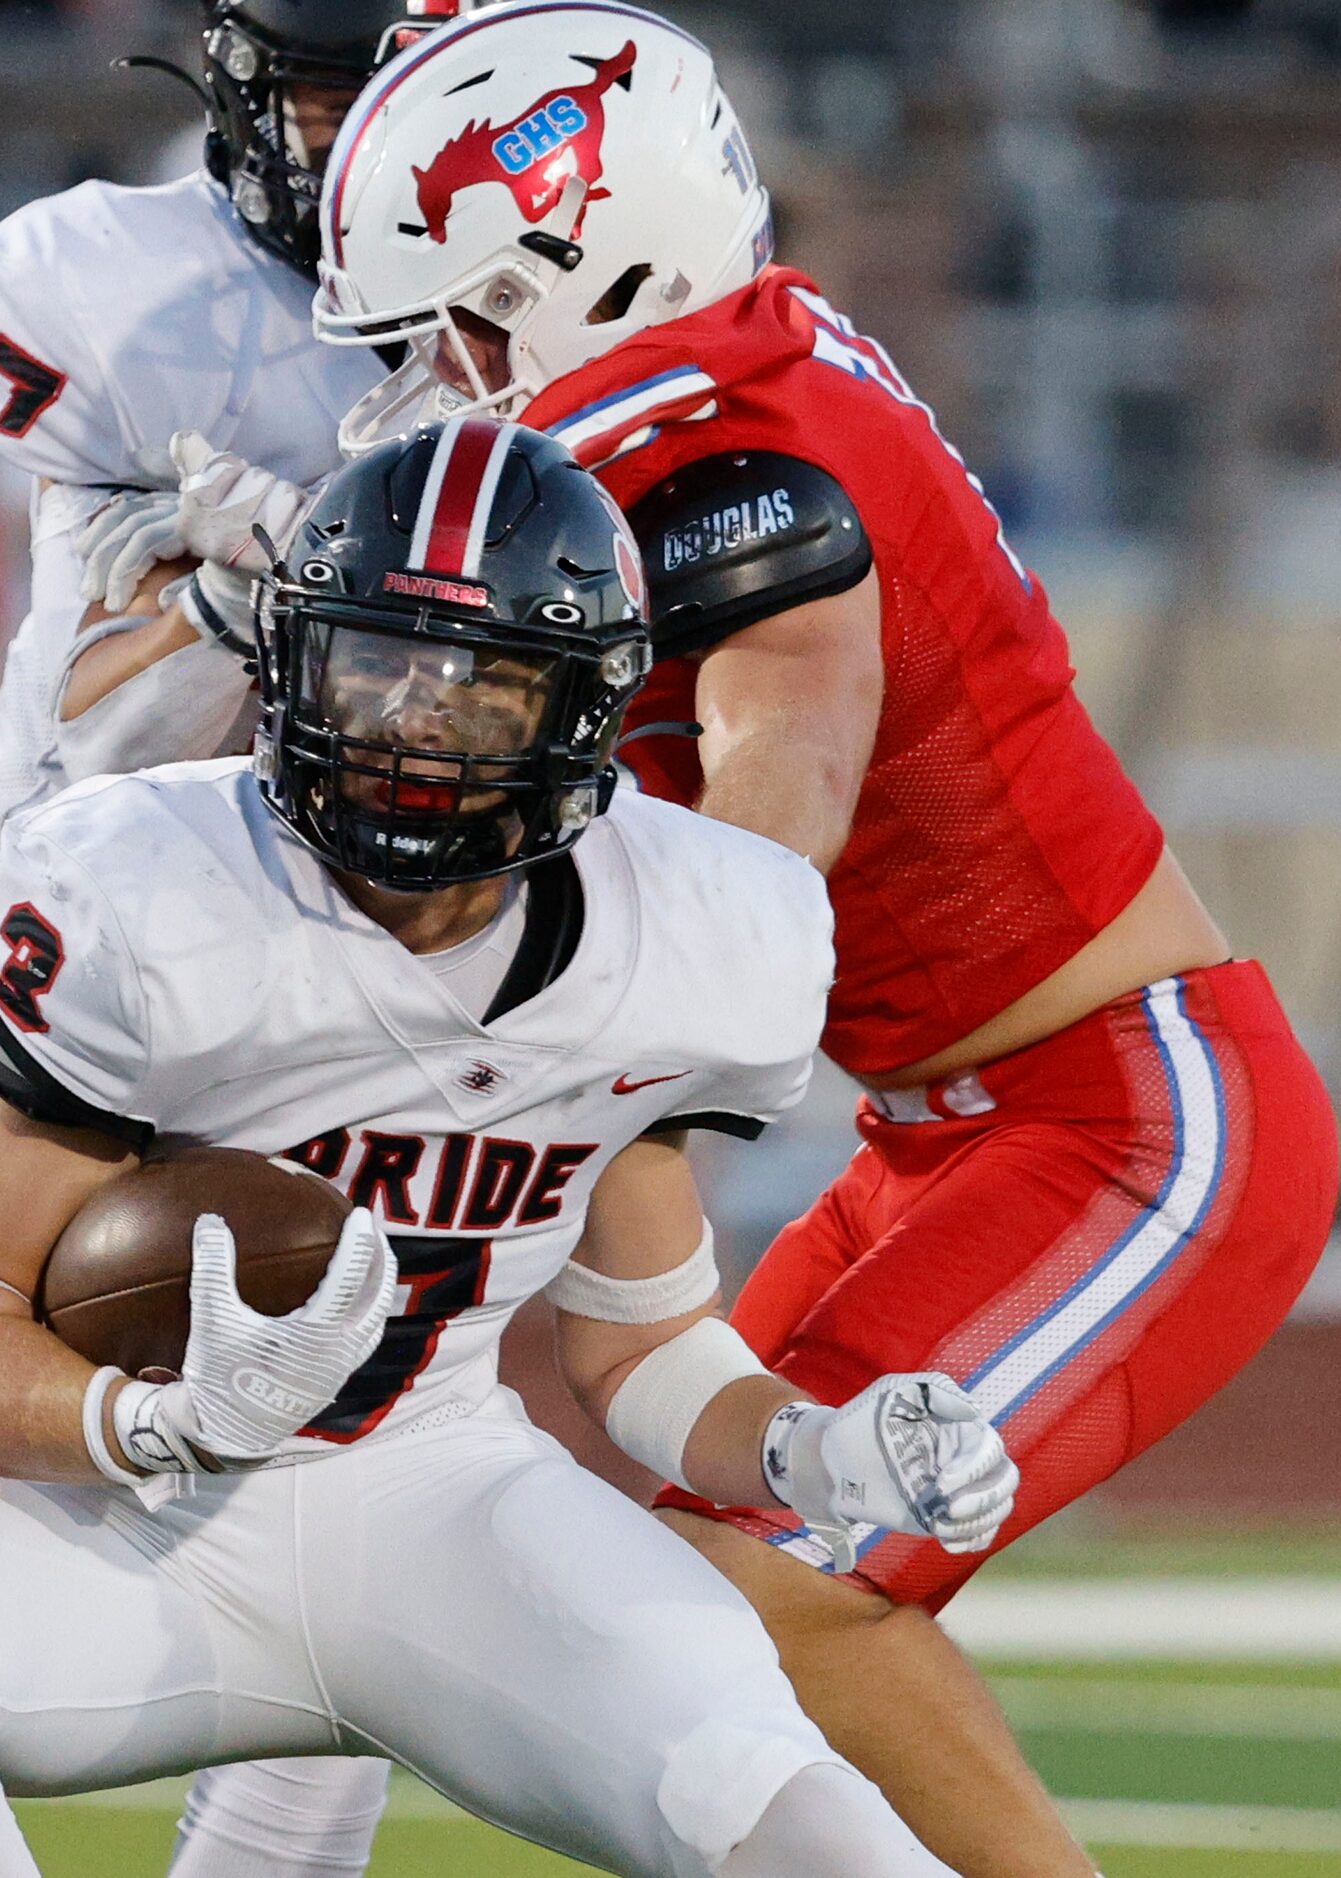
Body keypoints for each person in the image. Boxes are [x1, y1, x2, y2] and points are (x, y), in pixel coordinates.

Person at [0, 423, 1010, 1878]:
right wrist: (154, 1418)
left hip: (434, 1503)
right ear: (290, 664)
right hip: (124, 1521)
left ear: (578, 709)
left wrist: (813, 1448)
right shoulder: (143, 891)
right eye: (374, 663)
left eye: (477, 686)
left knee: (820, 1834)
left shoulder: (690, 936)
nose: (411, 720)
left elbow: (642, 1349)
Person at [295, 5, 1341, 1872]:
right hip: (944, 1132)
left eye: (465, 317)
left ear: (595, 253)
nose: (439, 374)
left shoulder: (738, 467)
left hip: (1131, 1124)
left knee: (758, 1593)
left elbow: (756, 891)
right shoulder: (721, 372)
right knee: (646, 1626)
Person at [0, 3, 478, 1868]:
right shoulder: (96, 284)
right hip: (31, 976)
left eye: (392, 100)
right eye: (316, 90)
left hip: (322, 1003)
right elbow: (81, 725)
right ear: (229, 81)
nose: (351, 145)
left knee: (331, 1643)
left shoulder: (529, 327)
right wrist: (227, 598)